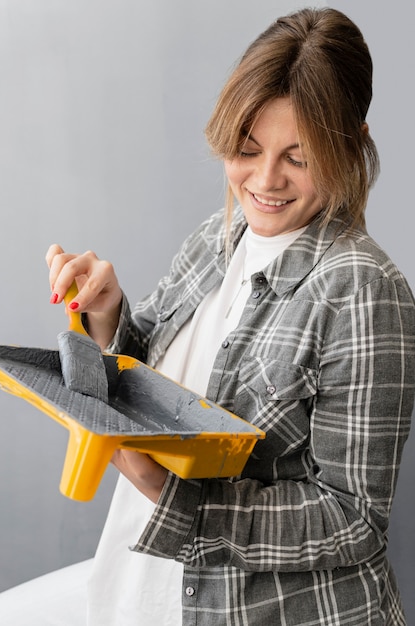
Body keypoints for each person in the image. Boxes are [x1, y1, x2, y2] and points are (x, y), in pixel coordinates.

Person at [47, 7, 415, 625]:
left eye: (298, 158)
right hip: (145, 594)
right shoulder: (215, 239)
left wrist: (174, 497)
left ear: (352, 145)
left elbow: (353, 520)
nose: (265, 180)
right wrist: (108, 317)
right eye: (247, 149)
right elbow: (162, 382)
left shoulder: (365, 292)